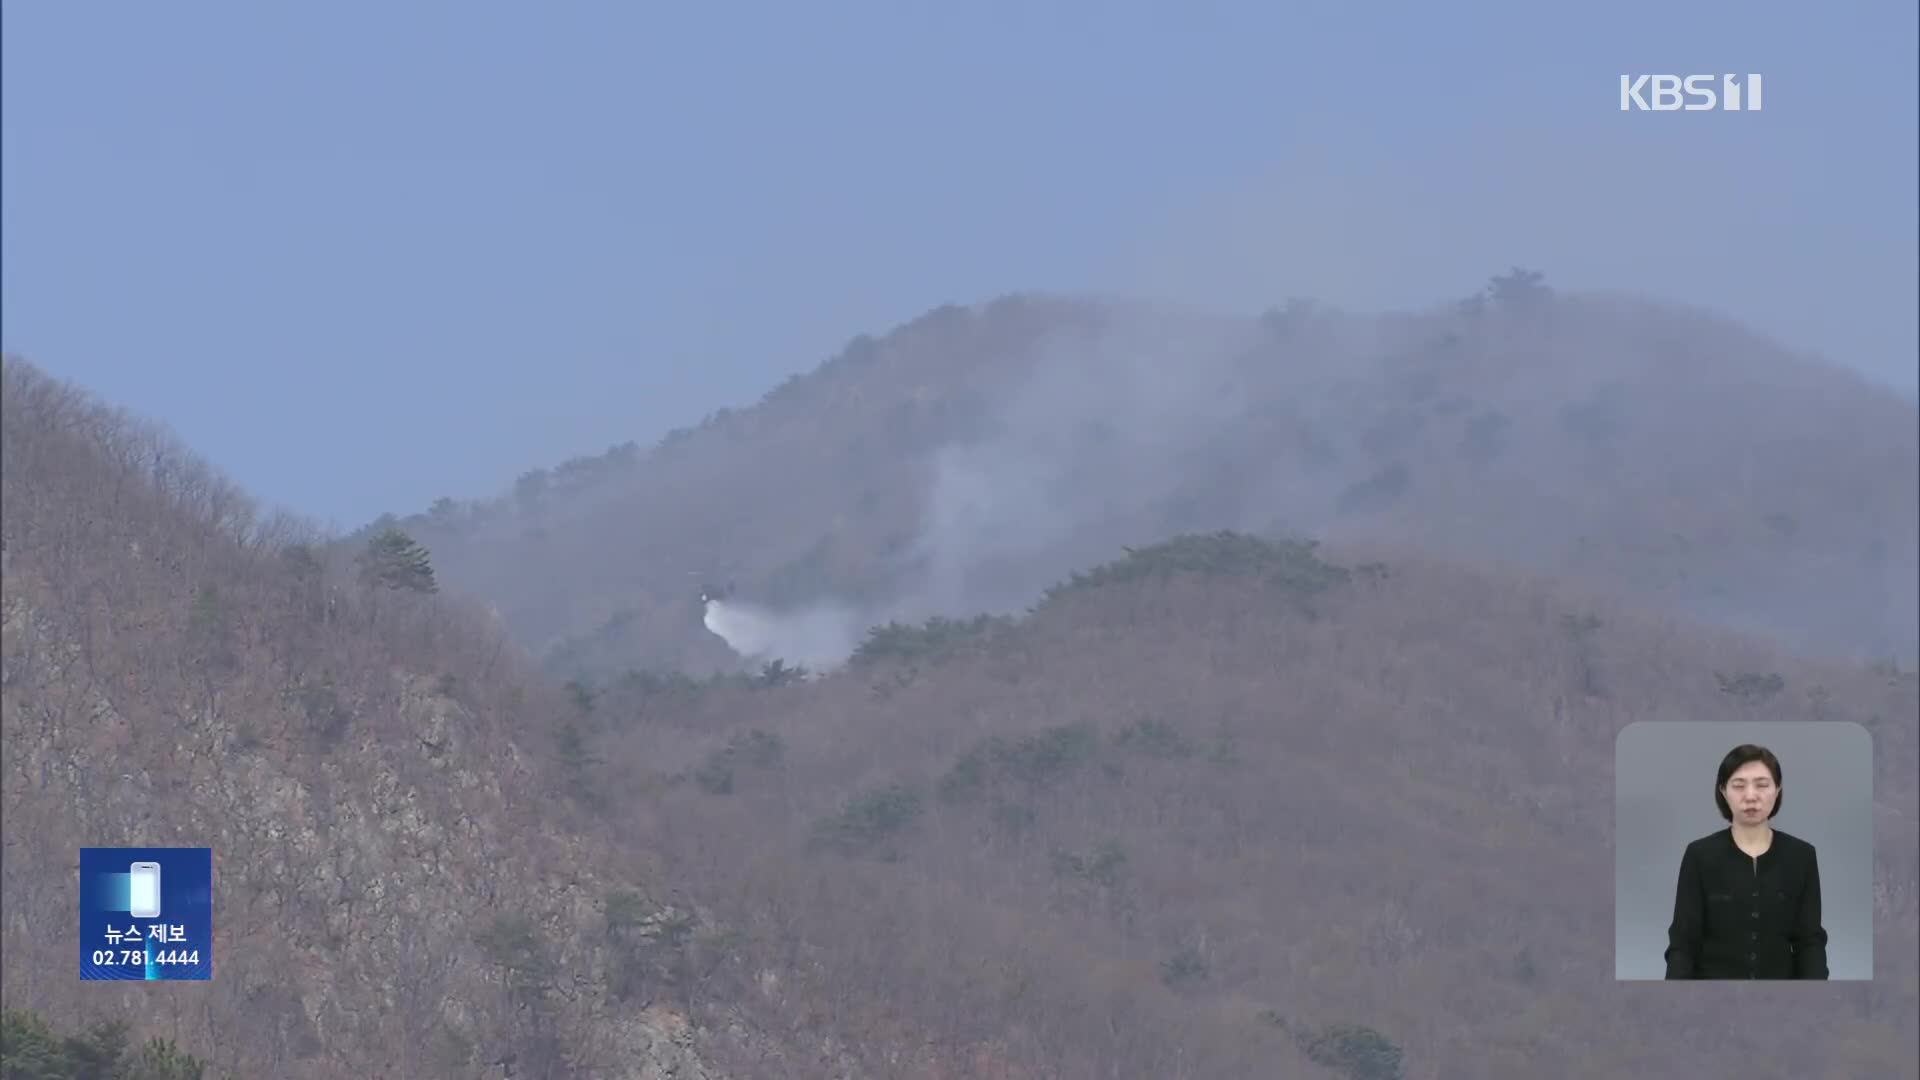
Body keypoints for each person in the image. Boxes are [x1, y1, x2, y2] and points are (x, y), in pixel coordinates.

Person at [1664, 744, 1829, 979]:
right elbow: (1683, 942)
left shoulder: (1801, 856)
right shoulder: (1700, 855)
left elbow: (1809, 943)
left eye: (1762, 785)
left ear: (1778, 789)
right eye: (1738, 786)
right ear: (1723, 790)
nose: (1751, 796)